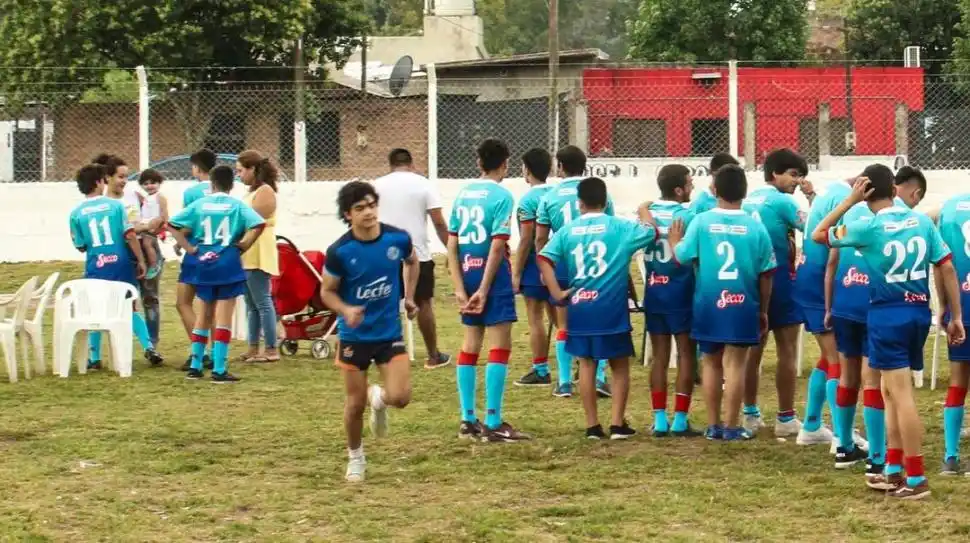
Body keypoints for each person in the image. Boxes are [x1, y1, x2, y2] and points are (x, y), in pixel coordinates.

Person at [811, 168, 964, 500]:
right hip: (917, 311)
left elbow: (819, 234)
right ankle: (893, 470)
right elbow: (947, 265)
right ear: (894, 189)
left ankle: (917, 477)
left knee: (900, 393)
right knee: (889, 391)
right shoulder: (920, 221)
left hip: (886, 313)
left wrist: (849, 201)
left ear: (866, 193)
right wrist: (956, 316)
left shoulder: (868, 225)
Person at [538, 177, 658, 439]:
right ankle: (617, 424)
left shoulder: (567, 231)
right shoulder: (620, 227)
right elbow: (652, 232)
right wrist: (644, 211)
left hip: (581, 307)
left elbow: (544, 258)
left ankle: (592, 425)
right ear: (606, 202)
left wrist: (557, 293)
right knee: (619, 364)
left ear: (579, 203)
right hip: (611, 308)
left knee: (587, 364)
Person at [668, 164, 776, 441]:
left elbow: (681, 257)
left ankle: (713, 425)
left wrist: (675, 241)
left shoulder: (701, 222)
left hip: (708, 302)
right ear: (744, 191)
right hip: (742, 302)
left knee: (711, 362)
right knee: (736, 364)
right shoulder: (755, 226)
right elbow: (767, 273)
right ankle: (731, 425)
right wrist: (762, 309)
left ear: (714, 189)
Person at [320, 181, 418, 483]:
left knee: (401, 397)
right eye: (360, 208)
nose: (368, 212)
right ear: (348, 215)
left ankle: (381, 398)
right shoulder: (340, 251)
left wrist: (409, 296)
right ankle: (356, 457)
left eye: (372, 205)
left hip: (388, 333)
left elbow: (412, 261)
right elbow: (327, 292)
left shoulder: (397, 238)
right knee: (354, 404)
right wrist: (346, 310)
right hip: (355, 338)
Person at [447, 138, 530, 442]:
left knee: (470, 344)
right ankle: (493, 421)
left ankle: (468, 419)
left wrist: (459, 287)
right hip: (490, 278)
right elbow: (497, 245)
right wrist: (484, 287)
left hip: (465, 273)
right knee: (499, 345)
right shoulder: (503, 197)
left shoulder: (463, 195)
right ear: (505, 163)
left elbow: (452, 242)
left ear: (478, 163)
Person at [167, 165, 266, 383]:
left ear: (212, 183)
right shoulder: (236, 205)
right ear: (232, 184)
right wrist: (244, 244)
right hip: (227, 260)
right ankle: (219, 368)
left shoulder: (200, 204)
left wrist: (189, 247)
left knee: (204, 314)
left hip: (204, 261)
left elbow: (172, 224)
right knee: (224, 316)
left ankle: (195, 365)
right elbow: (259, 223)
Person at [740, 148, 812, 437]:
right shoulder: (782, 201)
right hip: (779, 278)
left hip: (749, 280)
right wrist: (812, 197)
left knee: (752, 349)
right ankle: (785, 417)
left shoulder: (747, 200)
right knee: (787, 348)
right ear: (775, 173)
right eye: (793, 175)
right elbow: (814, 224)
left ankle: (749, 414)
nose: (797, 181)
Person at [536, 145, 613, 399]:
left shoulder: (549, 196)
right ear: (585, 165)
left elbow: (540, 239)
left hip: (563, 263)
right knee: (598, 320)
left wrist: (543, 267)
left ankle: (565, 382)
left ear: (559, 167)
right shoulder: (599, 192)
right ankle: (599, 377)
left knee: (563, 323)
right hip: (594, 264)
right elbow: (609, 229)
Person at [373, 148, 451, 369]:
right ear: (411, 163)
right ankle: (433, 355)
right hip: (418, 253)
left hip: (384, 254)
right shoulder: (424, 184)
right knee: (424, 303)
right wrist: (451, 250)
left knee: (385, 303)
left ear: (390, 164)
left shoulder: (377, 186)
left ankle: (386, 354)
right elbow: (438, 222)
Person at [640, 165, 701, 437]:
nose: (692, 188)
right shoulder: (688, 216)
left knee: (660, 356)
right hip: (682, 290)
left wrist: (643, 209)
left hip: (655, 289)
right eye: (689, 183)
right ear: (679, 189)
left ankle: (659, 418)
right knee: (687, 353)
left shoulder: (648, 215)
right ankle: (680, 418)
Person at [69, 164, 150, 370]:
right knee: (128, 307)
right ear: (98, 182)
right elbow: (130, 235)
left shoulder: (76, 213)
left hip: (97, 266)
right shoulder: (116, 206)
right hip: (121, 265)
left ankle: (95, 358)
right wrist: (140, 260)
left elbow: (80, 245)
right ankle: (149, 346)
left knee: (96, 310)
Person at [792, 176, 852, 449]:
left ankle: (812, 425)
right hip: (819, 282)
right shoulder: (846, 200)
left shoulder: (835, 189)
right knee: (837, 359)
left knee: (827, 357)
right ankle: (842, 437)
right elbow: (834, 253)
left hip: (807, 276)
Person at [99, 155, 164, 365]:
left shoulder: (134, 196)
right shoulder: (104, 204)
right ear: (107, 177)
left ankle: (152, 346)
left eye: (126, 176)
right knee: (124, 302)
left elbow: (144, 217)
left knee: (150, 298)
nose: (124, 180)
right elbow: (126, 229)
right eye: (120, 176)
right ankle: (102, 352)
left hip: (145, 251)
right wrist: (144, 226)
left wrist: (147, 226)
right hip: (121, 256)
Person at [512, 148, 557, 387]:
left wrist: (516, 272)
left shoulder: (528, 200)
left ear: (526, 170)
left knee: (535, 317)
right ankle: (576, 366)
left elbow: (526, 238)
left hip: (535, 263)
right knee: (561, 317)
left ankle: (540, 369)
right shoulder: (557, 193)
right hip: (559, 261)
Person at [936, 191, 970, 476]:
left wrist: (944, 307)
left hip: (962, 305)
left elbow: (941, 265)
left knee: (958, 380)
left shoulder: (949, 208)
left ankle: (950, 456)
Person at [237, 150, 281, 363]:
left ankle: (271, 349)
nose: (239, 175)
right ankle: (253, 347)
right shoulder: (251, 192)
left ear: (252, 169)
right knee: (251, 303)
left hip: (258, 248)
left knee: (262, 301)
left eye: (241, 171)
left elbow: (252, 219)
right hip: (248, 250)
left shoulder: (265, 191)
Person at [177, 149, 217, 371]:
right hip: (217, 252)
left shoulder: (192, 193)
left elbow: (187, 222)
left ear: (196, 168)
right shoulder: (219, 190)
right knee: (209, 306)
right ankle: (212, 352)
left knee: (182, 302)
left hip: (194, 252)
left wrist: (177, 239)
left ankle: (199, 351)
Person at [137, 169, 168, 280]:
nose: (150, 186)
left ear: (159, 183)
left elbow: (165, 213)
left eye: (153, 183)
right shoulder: (147, 198)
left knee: (147, 244)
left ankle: (154, 264)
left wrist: (163, 226)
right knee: (145, 245)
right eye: (146, 184)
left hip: (155, 225)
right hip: (145, 225)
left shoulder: (160, 196)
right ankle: (155, 259)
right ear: (141, 185)